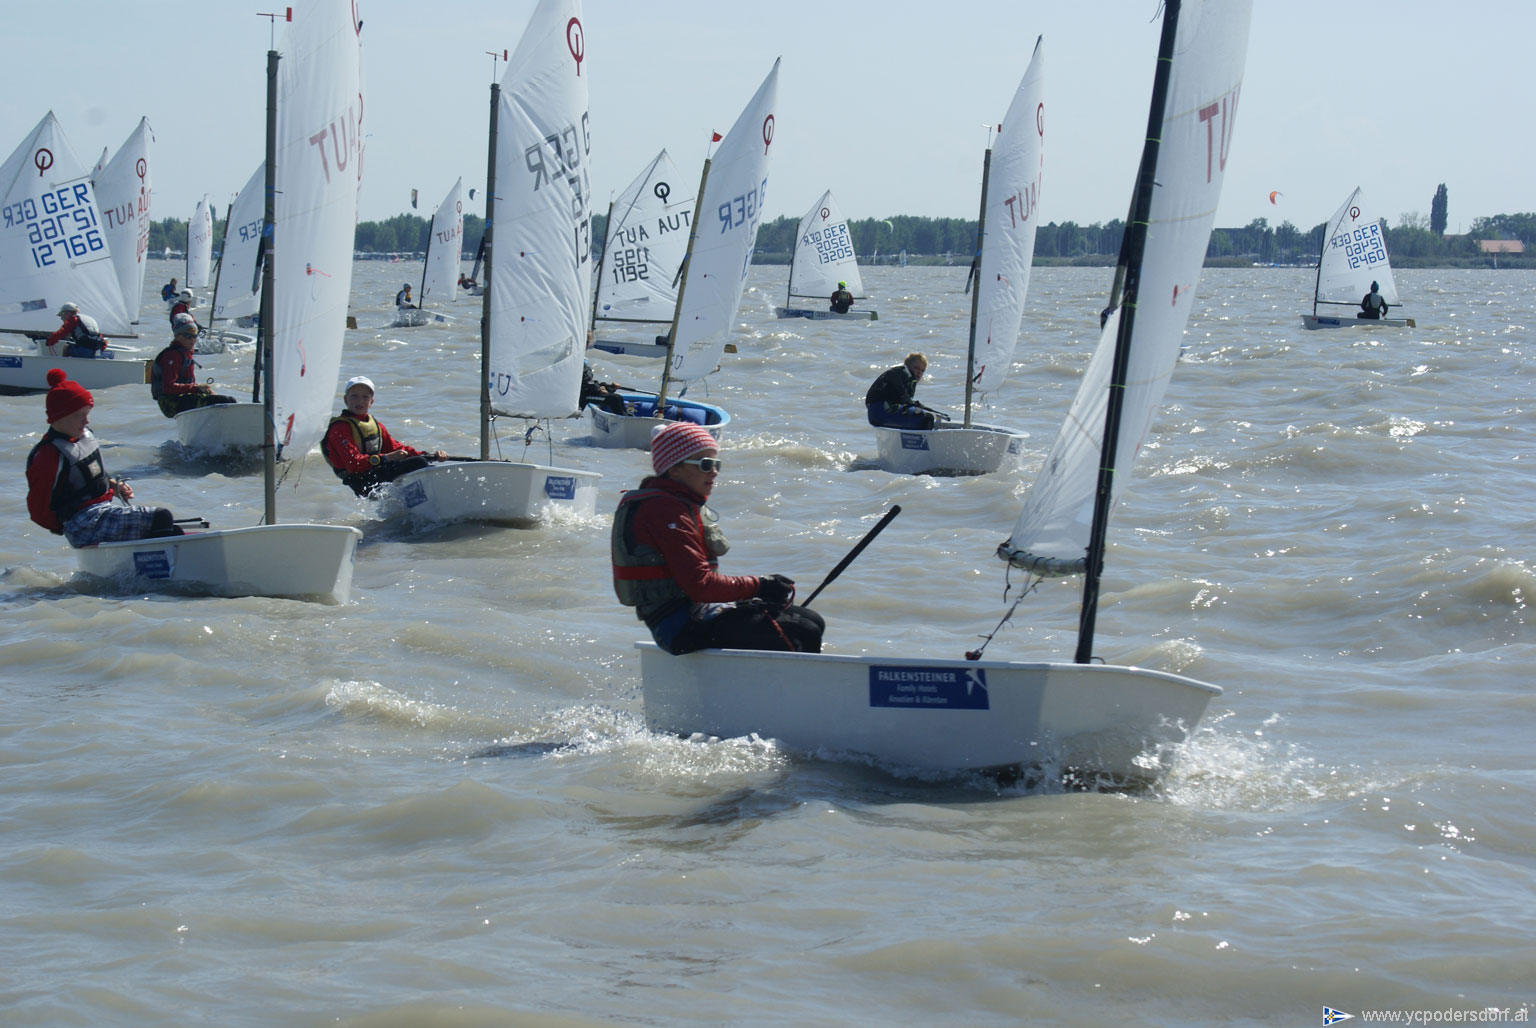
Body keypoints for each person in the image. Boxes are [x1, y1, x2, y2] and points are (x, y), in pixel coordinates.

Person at [611, 421, 824, 655]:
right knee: (803, 631)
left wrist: (762, 586)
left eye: (716, 464)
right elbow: (700, 585)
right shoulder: (664, 511)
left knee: (811, 620)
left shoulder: (677, 504)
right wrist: (760, 585)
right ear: (674, 469)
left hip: (698, 611)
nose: (714, 472)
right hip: (678, 627)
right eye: (705, 464)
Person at [26, 369, 184, 547]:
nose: (86, 421)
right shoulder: (49, 455)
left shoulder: (84, 436)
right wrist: (65, 527)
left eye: (87, 414)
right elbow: (38, 509)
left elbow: (92, 474)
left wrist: (113, 486)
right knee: (161, 517)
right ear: (60, 416)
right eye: (80, 415)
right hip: (82, 524)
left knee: (173, 531)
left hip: (100, 512)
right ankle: (157, 563)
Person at [320, 375, 448, 497]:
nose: (360, 401)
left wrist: (431, 455)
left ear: (371, 401)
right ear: (345, 399)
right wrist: (387, 458)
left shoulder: (376, 426)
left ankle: (419, 500)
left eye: (365, 397)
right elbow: (353, 464)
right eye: (354, 396)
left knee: (422, 462)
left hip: (376, 473)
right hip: (361, 481)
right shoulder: (339, 428)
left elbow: (397, 448)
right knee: (419, 463)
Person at [151, 315, 237, 418]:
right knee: (227, 401)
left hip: (182, 398)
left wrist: (204, 390)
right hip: (170, 403)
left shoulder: (186, 353)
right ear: (177, 336)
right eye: (188, 336)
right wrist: (197, 388)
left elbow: (189, 387)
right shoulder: (172, 355)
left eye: (194, 336)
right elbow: (169, 388)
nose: (192, 340)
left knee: (223, 399)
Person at [864, 352, 937, 430]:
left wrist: (912, 403)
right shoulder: (900, 372)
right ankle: (923, 437)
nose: (920, 372)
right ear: (907, 366)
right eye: (916, 368)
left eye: (922, 370)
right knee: (926, 418)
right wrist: (903, 395)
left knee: (922, 415)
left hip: (878, 415)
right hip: (880, 411)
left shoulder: (910, 382)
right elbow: (892, 374)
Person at [45, 303, 111, 359]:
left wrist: (50, 341)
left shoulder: (73, 319)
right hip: (97, 351)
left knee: (66, 347)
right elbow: (99, 337)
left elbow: (61, 332)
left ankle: (64, 367)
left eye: (62, 314)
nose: (61, 318)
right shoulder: (88, 319)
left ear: (67, 313)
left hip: (85, 351)